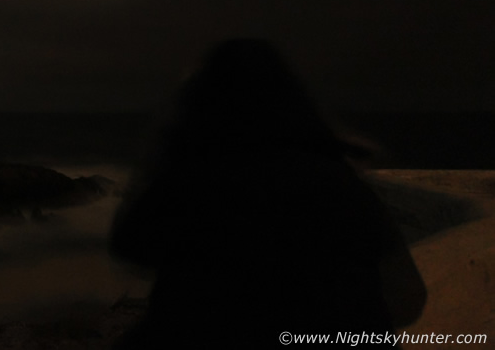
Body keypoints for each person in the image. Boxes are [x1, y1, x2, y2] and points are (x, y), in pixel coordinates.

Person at [109, 38, 425, 347]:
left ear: (201, 107)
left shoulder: (194, 183)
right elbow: (408, 300)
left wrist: (159, 150)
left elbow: (130, 246)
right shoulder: (342, 186)